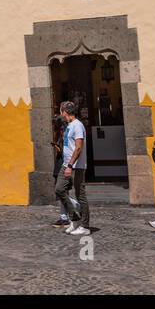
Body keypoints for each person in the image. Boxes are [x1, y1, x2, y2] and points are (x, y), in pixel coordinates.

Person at [56, 101, 90, 237]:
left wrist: (70, 165)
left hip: (76, 166)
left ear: (65, 111)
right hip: (66, 164)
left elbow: (79, 147)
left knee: (80, 195)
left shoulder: (77, 126)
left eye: (61, 111)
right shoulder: (69, 125)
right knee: (59, 189)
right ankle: (74, 218)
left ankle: (85, 226)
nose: (60, 114)